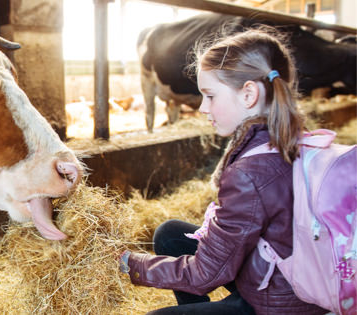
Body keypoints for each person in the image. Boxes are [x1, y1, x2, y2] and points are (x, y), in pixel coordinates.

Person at [118, 28, 328, 315]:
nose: (203, 108)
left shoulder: (250, 173)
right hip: (287, 275)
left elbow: (205, 274)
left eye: (210, 96)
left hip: (276, 304)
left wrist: (128, 264)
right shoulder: (286, 137)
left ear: (249, 94)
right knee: (170, 234)